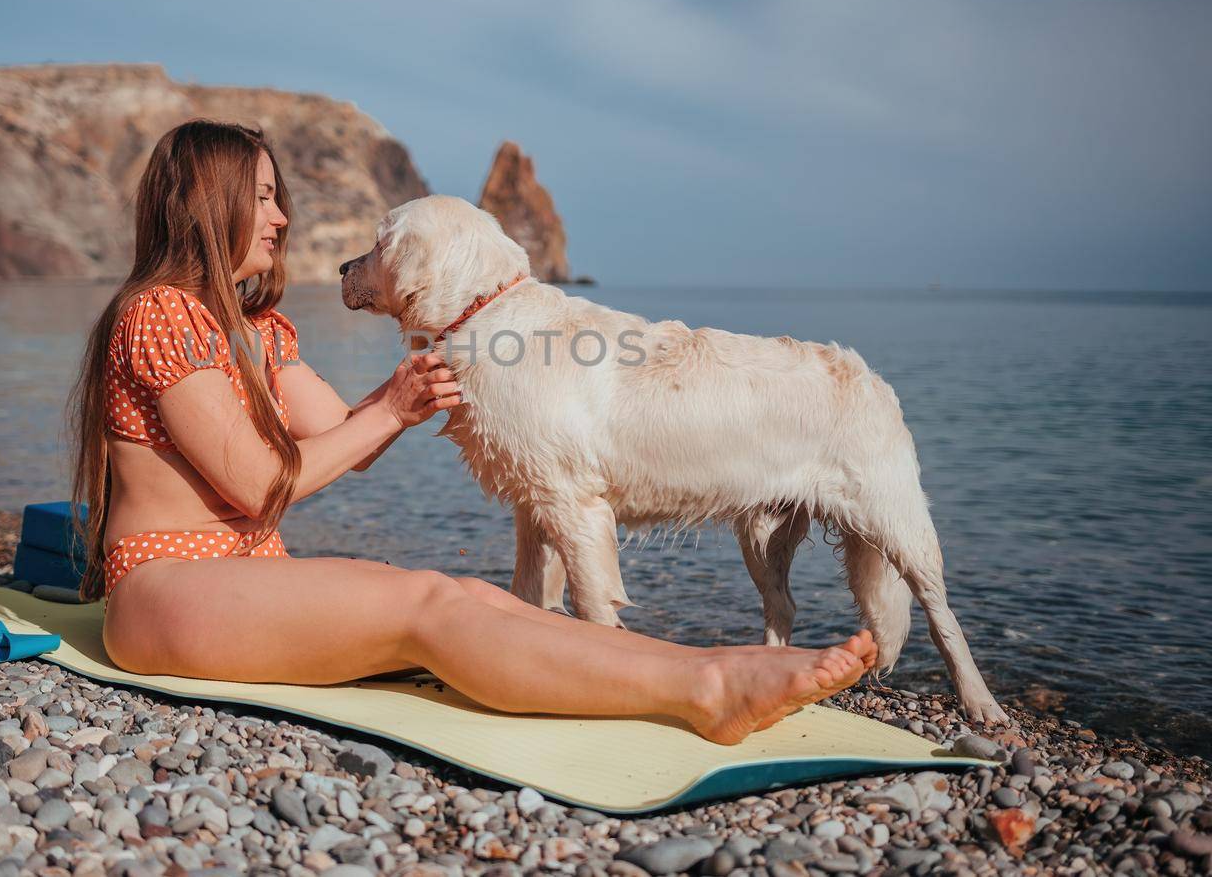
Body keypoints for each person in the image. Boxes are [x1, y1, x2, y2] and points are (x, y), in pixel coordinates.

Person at [68, 118, 875, 746]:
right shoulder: (160, 312)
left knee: (478, 596)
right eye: (265, 196)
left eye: (279, 195)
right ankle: (704, 693)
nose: (282, 216)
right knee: (428, 603)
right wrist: (389, 408)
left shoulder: (260, 332)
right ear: (211, 206)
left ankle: (715, 666)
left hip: (240, 586)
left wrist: (420, 385)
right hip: (163, 592)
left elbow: (345, 439)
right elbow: (258, 482)